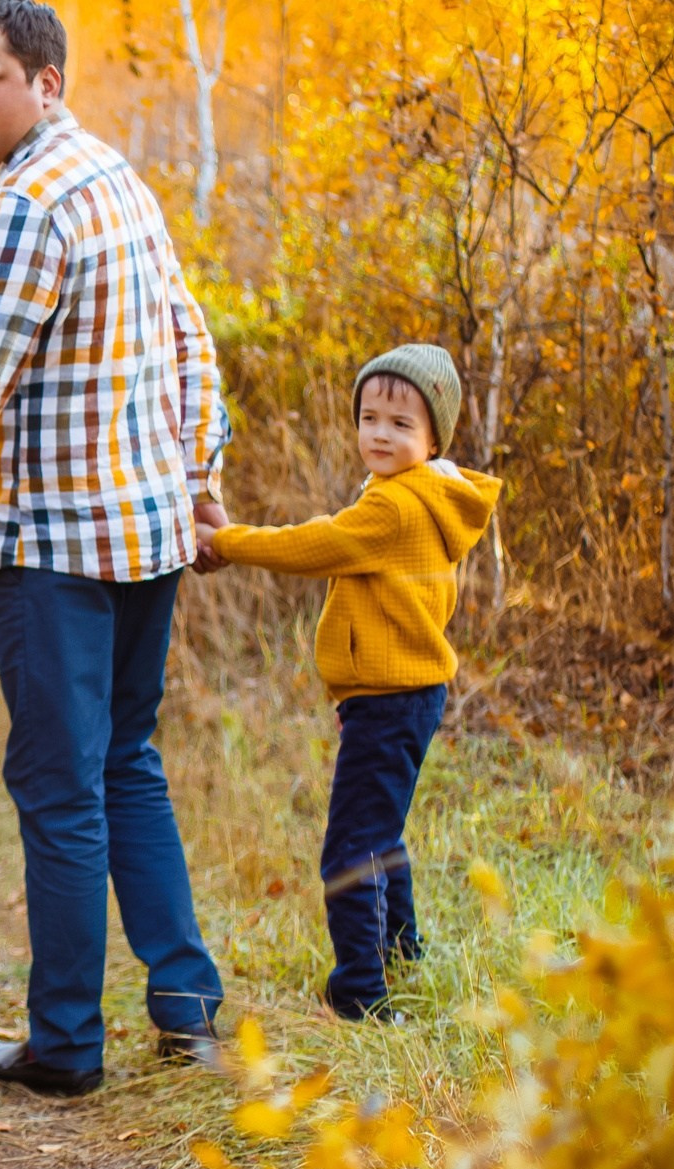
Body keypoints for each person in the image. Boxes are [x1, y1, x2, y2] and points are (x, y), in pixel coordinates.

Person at [0, 0, 229, 1096]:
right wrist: (200, 477)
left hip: (58, 547)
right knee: (126, 762)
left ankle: (65, 1043)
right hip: (146, 533)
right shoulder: (114, 176)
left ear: (46, 82)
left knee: (60, 787)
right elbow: (191, 341)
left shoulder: (28, 201)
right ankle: (186, 1009)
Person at [197, 346, 501, 1021]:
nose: (380, 434)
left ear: (433, 436)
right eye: (370, 417)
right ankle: (401, 953)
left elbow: (315, 544)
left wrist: (230, 539)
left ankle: (362, 990)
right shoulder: (419, 494)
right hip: (402, 694)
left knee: (350, 848)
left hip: (393, 698)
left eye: (401, 423)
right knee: (380, 834)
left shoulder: (392, 508)